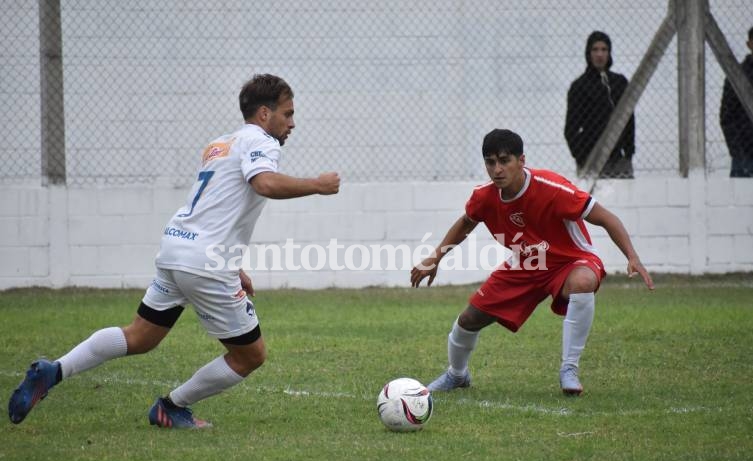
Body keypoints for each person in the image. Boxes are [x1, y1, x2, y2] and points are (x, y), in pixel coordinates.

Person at [8, 74, 340, 428]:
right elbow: (265, 182)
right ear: (263, 114)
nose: (292, 123)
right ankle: (172, 406)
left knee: (140, 335)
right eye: (287, 114)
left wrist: (232, 264)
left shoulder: (220, 144)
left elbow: (217, 205)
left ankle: (54, 370)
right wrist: (317, 185)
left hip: (178, 247)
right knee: (250, 356)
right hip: (205, 263)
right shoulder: (261, 142)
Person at [411, 129, 653, 396]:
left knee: (582, 282)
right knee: (469, 319)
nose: (497, 169)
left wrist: (632, 256)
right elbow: (466, 223)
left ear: (521, 160)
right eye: (490, 162)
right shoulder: (484, 197)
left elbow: (606, 218)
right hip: (527, 264)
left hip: (570, 261)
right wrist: (435, 257)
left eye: (504, 160)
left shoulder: (553, 188)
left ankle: (569, 369)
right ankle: (457, 375)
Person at [565, 31, 635, 179]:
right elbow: (570, 129)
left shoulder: (619, 82)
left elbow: (629, 121)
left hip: (618, 159)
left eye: (604, 50)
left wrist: (628, 153)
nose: (599, 54)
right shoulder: (579, 86)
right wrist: (582, 157)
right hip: (591, 159)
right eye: (595, 49)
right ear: (588, 53)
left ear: (609, 53)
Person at [720, 26, 753, 178]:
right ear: (749, 44)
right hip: (745, 155)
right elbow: (727, 118)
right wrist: (739, 153)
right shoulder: (737, 75)